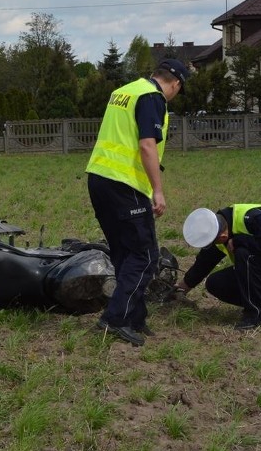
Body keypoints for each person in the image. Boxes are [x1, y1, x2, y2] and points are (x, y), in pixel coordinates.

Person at [85, 58, 188, 346]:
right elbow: (146, 144)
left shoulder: (124, 91)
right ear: (176, 83)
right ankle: (114, 319)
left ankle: (135, 316)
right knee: (145, 256)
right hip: (125, 183)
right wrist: (158, 190)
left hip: (98, 178)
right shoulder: (152, 97)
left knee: (123, 254)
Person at [177, 204, 261, 330]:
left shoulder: (255, 218)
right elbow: (204, 262)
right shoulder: (220, 228)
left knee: (245, 254)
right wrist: (180, 289)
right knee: (215, 283)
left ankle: (257, 316)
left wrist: (240, 241)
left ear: (223, 235)